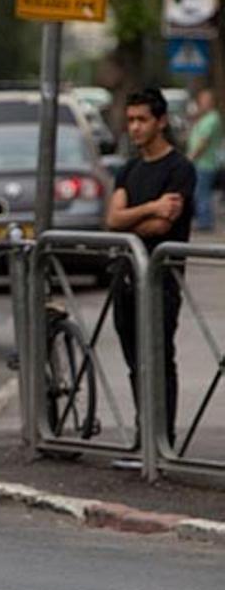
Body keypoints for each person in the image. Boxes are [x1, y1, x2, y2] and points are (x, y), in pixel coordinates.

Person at [105, 88, 195, 457]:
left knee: (158, 359)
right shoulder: (128, 169)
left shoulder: (179, 169)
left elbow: (163, 226)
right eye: (130, 120)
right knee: (134, 361)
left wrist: (138, 218)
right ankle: (144, 436)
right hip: (125, 278)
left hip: (161, 281)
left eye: (142, 119)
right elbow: (113, 219)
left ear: (161, 122)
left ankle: (163, 440)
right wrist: (151, 207)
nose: (135, 127)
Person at [187, 88, 221, 233]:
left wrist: (191, 157)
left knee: (202, 192)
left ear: (211, 102)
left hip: (205, 162)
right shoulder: (205, 118)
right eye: (200, 100)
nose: (201, 103)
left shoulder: (212, 118)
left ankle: (205, 221)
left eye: (205, 100)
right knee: (200, 191)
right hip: (201, 162)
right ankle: (203, 220)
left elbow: (204, 141)